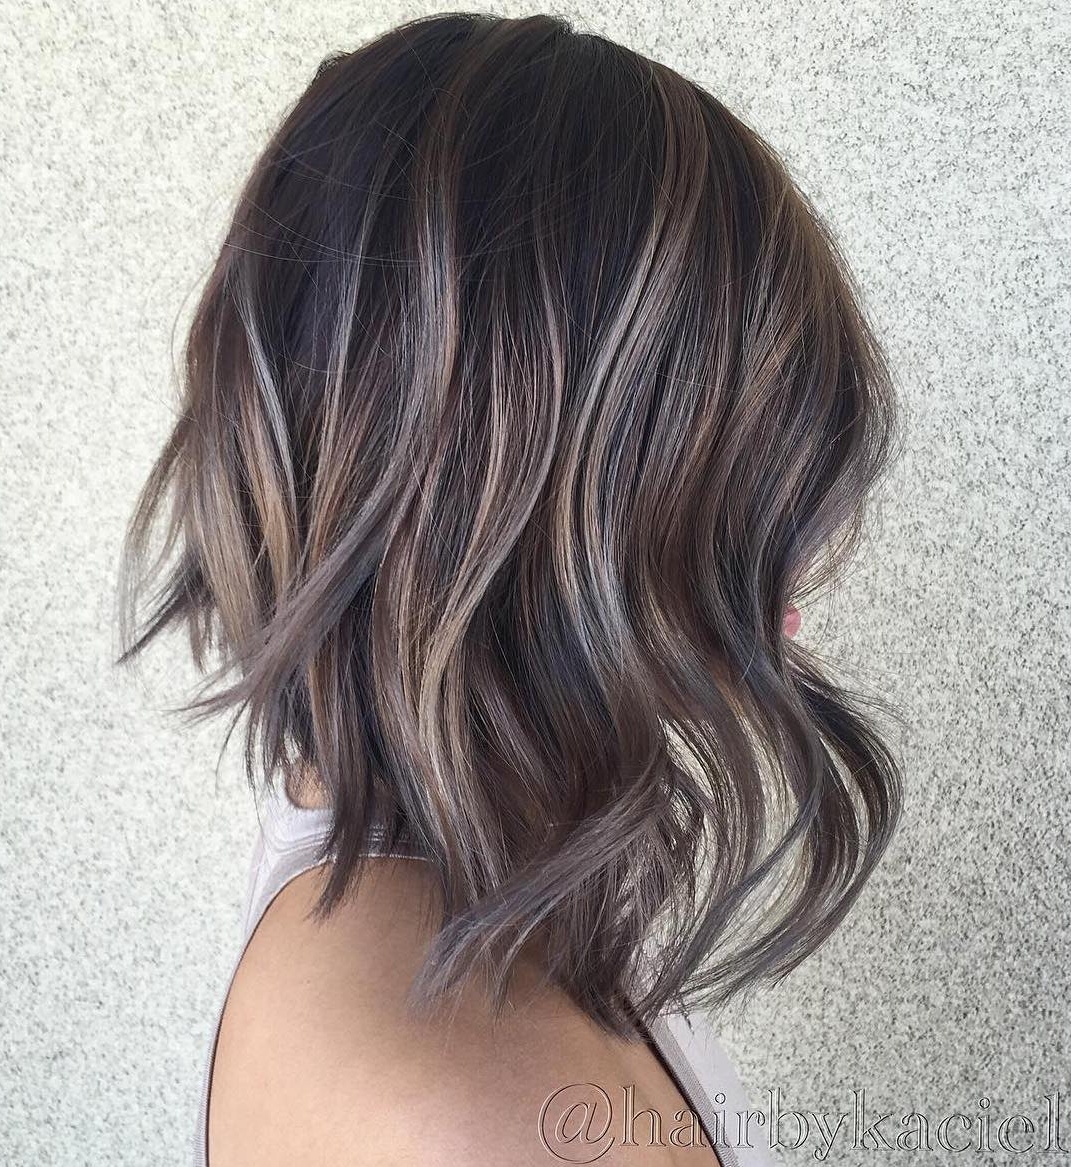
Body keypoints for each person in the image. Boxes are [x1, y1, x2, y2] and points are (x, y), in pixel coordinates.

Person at [118, 13, 904, 1165]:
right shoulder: (465, 1114)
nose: (809, 562)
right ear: (537, 509)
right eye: (747, 490)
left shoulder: (456, 897)